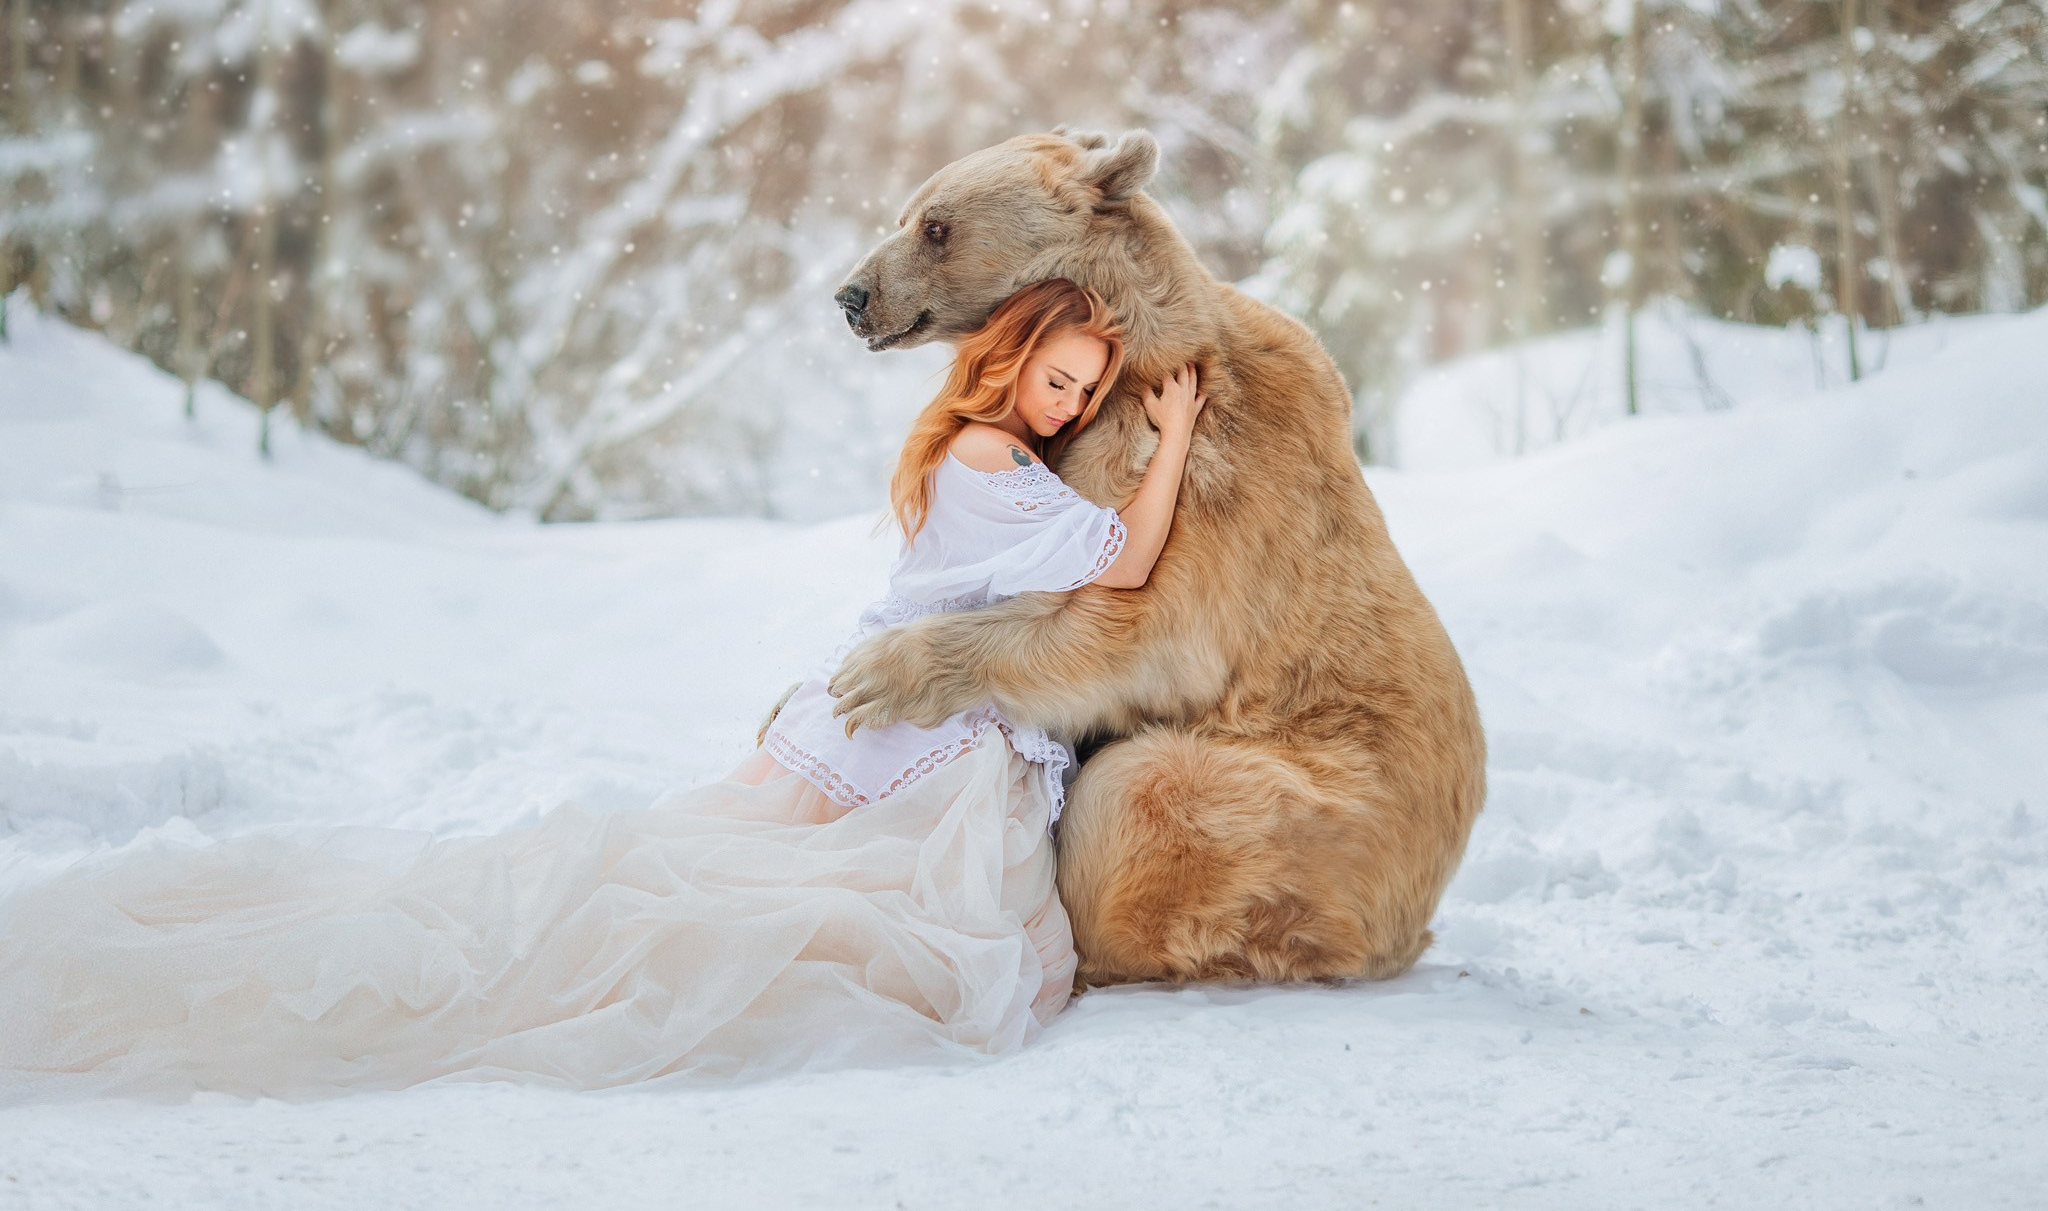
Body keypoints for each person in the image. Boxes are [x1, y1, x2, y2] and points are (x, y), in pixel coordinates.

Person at [0, 278, 1205, 1098]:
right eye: (1061, 380)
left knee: (730, 890)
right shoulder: (990, 457)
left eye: (1088, 393)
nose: (1074, 407)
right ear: (1007, 364)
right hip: (914, 729)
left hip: (912, 717)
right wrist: (1181, 431)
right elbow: (1126, 558)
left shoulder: (980, 457)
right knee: (725, 911)